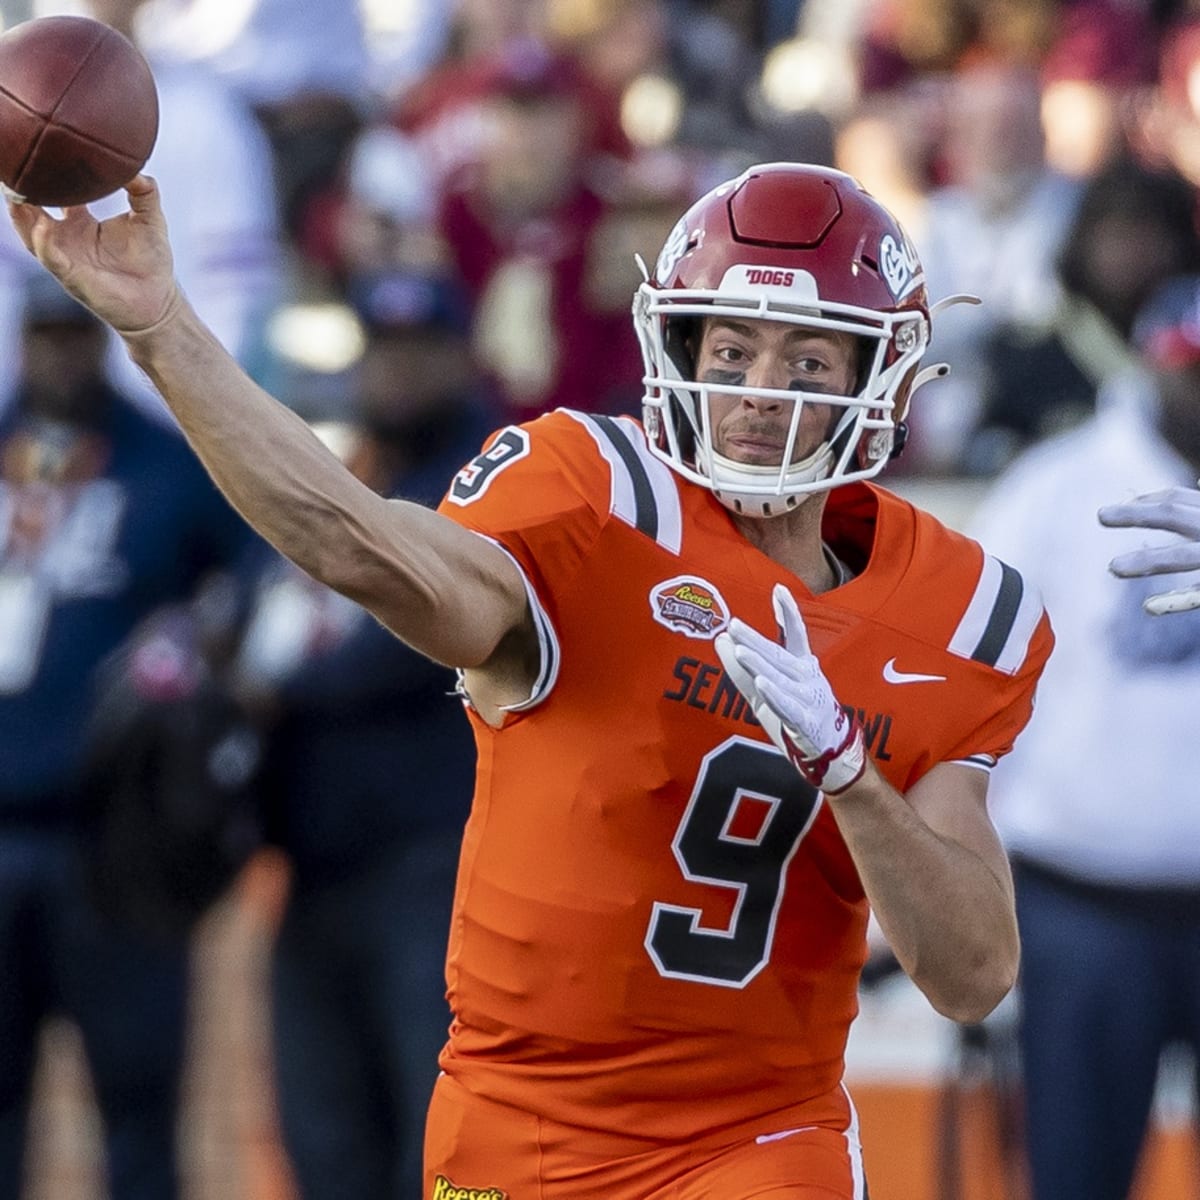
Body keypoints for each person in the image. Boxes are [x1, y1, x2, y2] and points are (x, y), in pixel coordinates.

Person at [9, 161, 1052, 1199]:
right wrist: (162, 331)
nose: (757, 394)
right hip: (520, 1121)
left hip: (757, 1132)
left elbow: (972, 974)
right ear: (678, 344)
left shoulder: (956, 614)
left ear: (881, 378)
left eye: (807, 362)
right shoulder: (594, 499)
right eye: (731, 349)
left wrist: (849, 773)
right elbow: (360, 547)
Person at [0, 268, 254, 1200]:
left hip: (118, 842)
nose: (59, 355)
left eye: (74, 335)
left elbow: (248, 591)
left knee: (141, 1115)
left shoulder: (163, 463)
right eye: (44, 337)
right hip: (1, 827)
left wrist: (197, 658)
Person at [235, 272, 488, 1199]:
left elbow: (406, 641)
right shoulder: (350, 470)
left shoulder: (488, 472)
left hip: (433, 866)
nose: (398, 372)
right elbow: (255, 604)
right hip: (313, 866)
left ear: (461, 359)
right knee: (323, 1139)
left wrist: (266, 687)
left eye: (420, 351)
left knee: (436, 1142)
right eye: (383, 352)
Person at [968, 273, 1200, 1200]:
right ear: (1153, 366)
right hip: (1081, 899)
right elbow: (968, 674)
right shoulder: (1058, 486)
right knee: (1075, 1177)